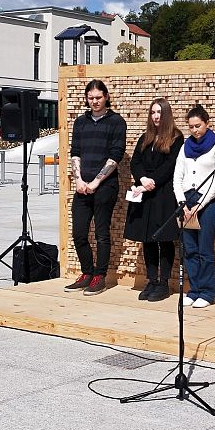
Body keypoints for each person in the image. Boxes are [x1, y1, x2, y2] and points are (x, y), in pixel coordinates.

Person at [64, 79, 127, 297]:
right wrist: (79, 180)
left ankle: (100, 276)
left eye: (98, 97)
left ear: (106, 97)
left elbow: (116, 155)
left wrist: (96, 182)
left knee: (101, 233)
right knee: (79, 233)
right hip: (82, 185)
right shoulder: (81, 122)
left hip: (105, 186)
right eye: (91, 98)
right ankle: (86, 273)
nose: (94, 101)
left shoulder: (117, 122)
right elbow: (75, 151)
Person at [124, 98, 184, 302]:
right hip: (145, 192)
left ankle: (164, 282)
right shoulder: (145, 138)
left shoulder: (176, 138)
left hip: (164, 193)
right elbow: (136, 162)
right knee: (147, 238)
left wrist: (152, 181)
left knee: (164, 239)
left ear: (166, 114)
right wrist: (142, 179)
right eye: (153, 112)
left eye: (159, 112)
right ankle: (152, 279)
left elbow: (171, 165)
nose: (156, 116)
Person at [173, 104, 215, 308]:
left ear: (207, 124)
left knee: (205, 249)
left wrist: (200, 205)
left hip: (207, 203)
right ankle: (193, 290)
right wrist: (182, 203)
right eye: (191, 127)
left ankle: (207, 292)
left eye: (198, 126)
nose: (195, 130)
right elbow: (178, 177)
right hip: (187, 202)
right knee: (189, 249)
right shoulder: (185, 147)